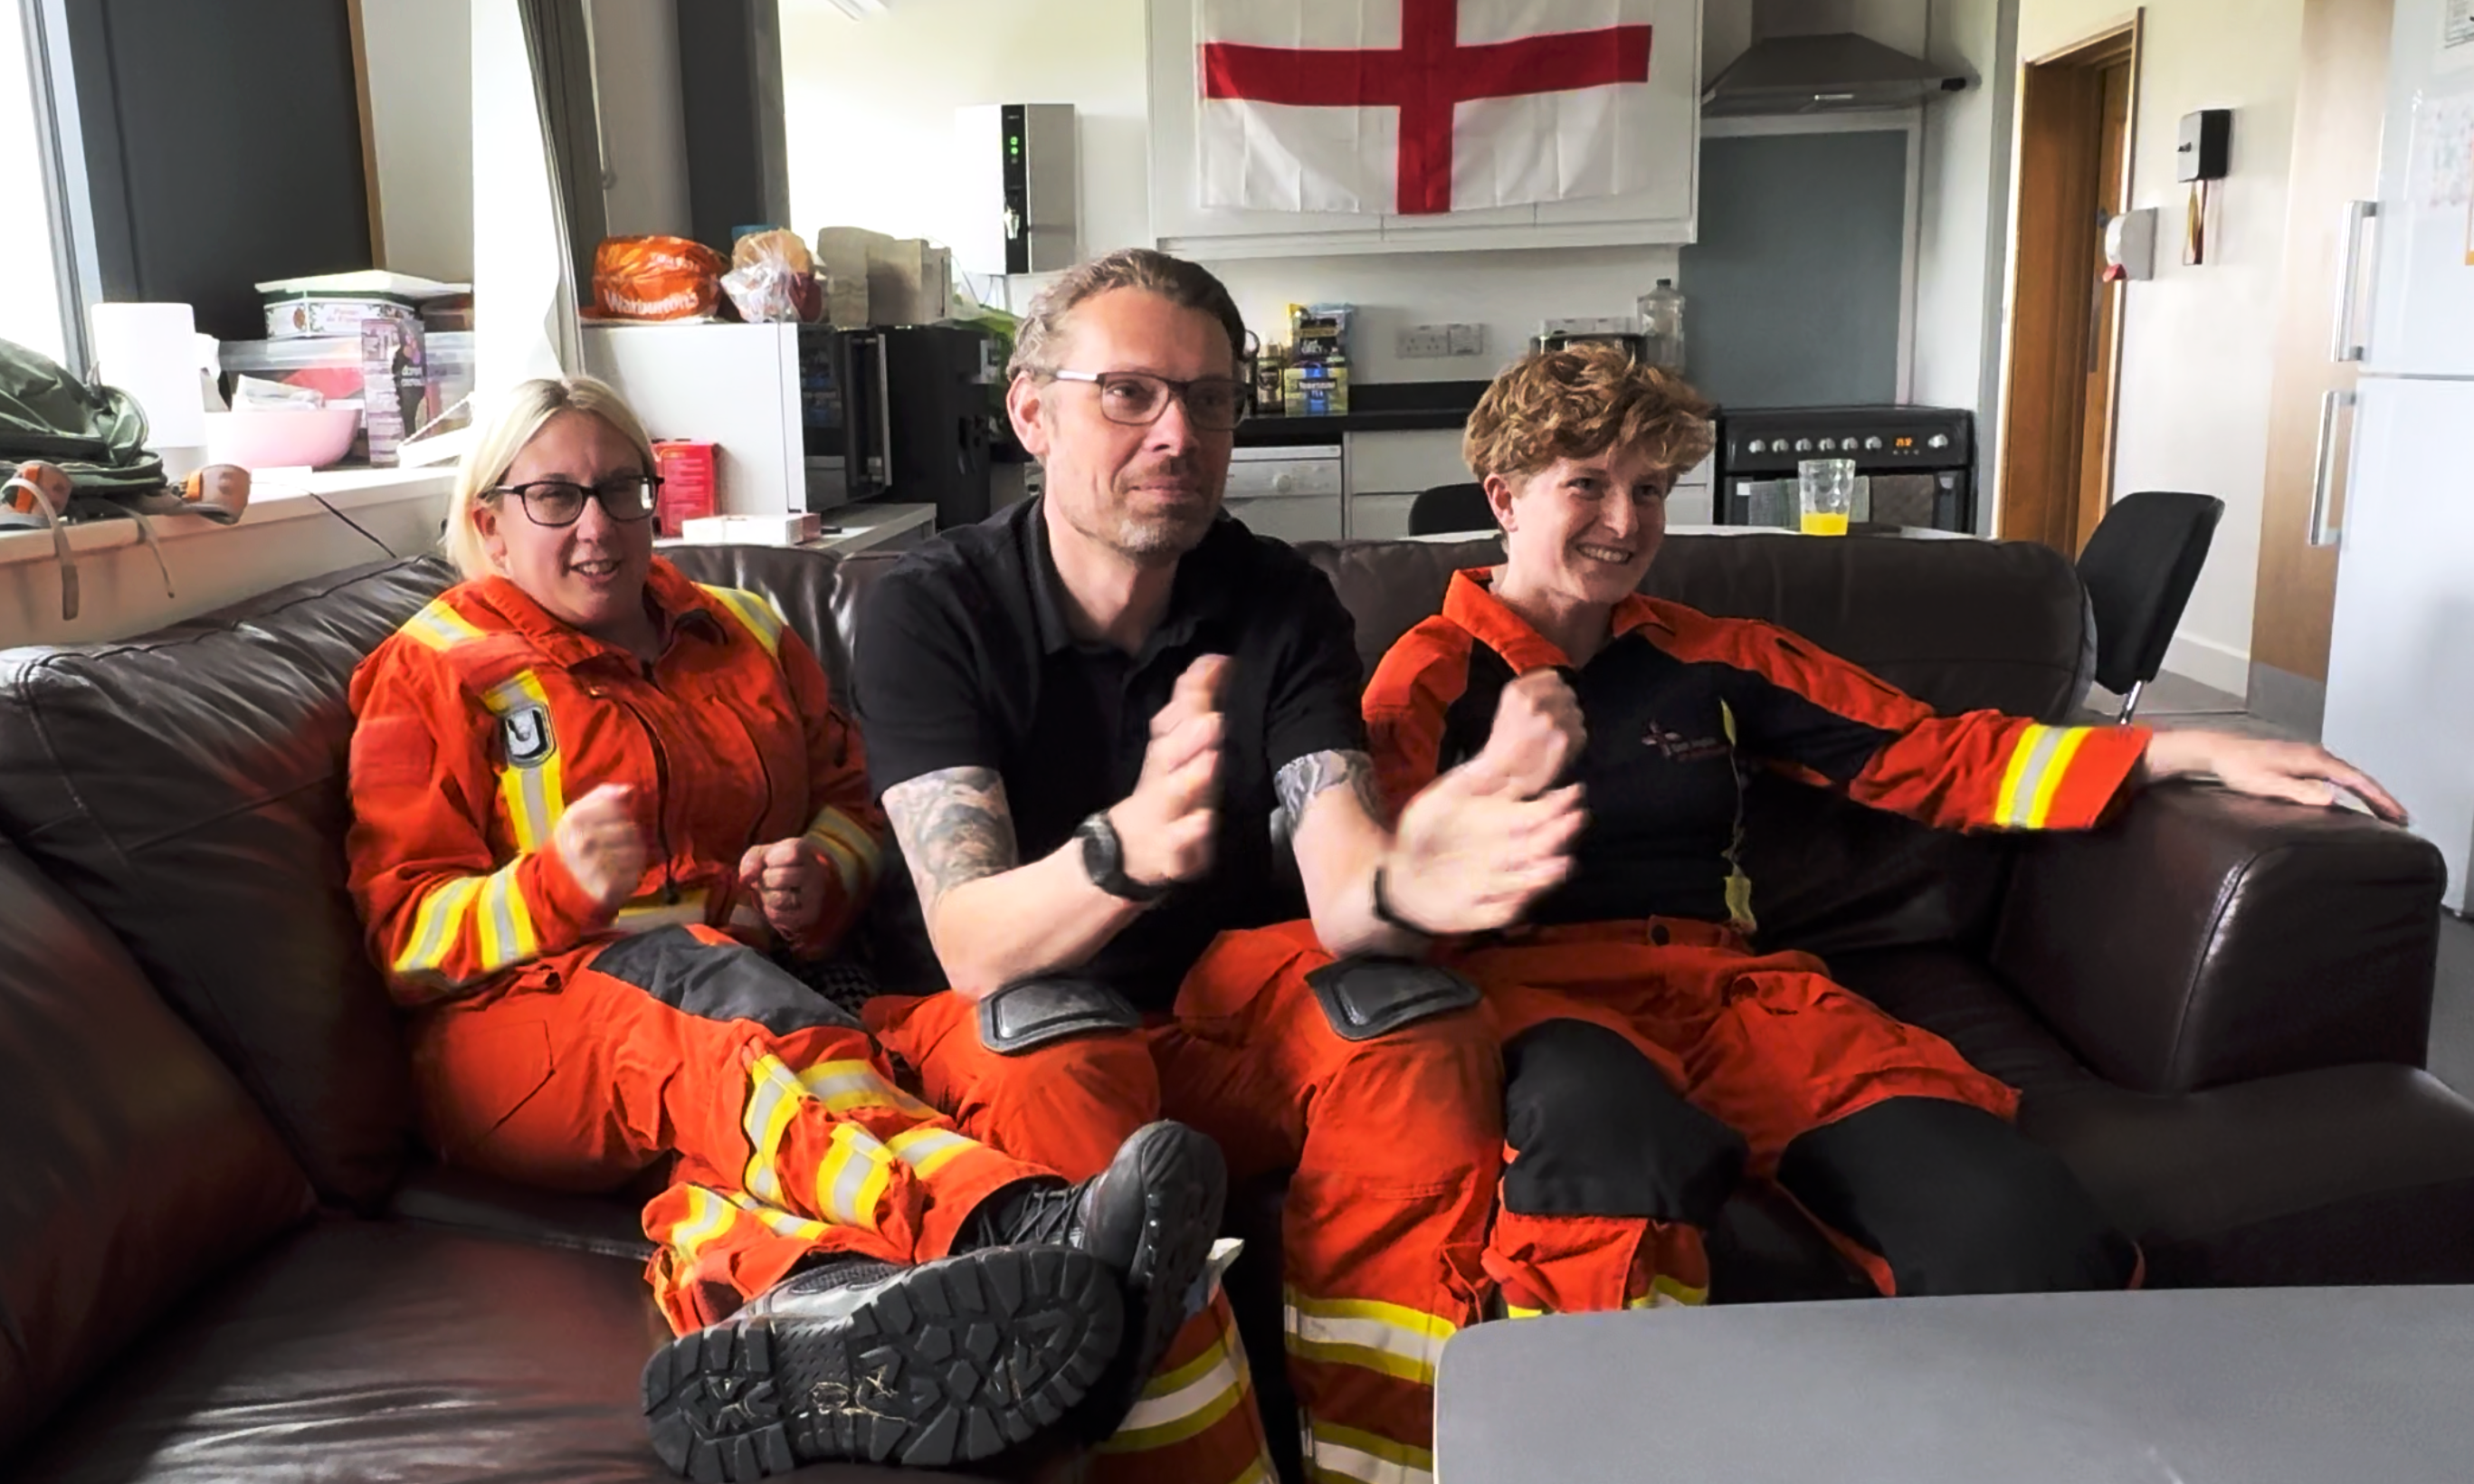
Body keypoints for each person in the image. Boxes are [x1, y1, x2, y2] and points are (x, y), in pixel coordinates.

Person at [1360, 343, 2410, 1317]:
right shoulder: (1425, 679)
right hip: (1533, 1009)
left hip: (1733, 996)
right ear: (1503, 496)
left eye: (1648, 490)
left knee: (2010, 1220)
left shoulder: (1718, 653)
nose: (1625, 523)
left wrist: (2186, 750)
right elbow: (1378, 894)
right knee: (1603, 1182)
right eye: (1585, 485)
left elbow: (1935, 754)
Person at [343, 375, 1228, 1480]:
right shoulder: (430, 671)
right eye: (555, 497)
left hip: (743, 1008)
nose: (598, 525)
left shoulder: (745, 628)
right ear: (487, 520)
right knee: (697, 998)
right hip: (513, 1033)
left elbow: (858, 801)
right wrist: (554, 885)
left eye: (622, 489)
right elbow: (403, 937)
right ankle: (1014, 1227)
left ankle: (811, 1320)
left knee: (758, 1110)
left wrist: (821, 875)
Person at [852, 249, 1586, 1484]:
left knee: (1412, 1028)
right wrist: (1121, 852)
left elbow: (1343, 880)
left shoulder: (1277, 600)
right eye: (1128, 393)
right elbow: (972, 940)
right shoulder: (927, 605)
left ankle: (1391, 1467)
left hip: (1217, 1016)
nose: (1177, 433)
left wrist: (1409, 882)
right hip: (1010, 1019)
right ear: (1032, 413)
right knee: (1050, 1050)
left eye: (1207, 399)